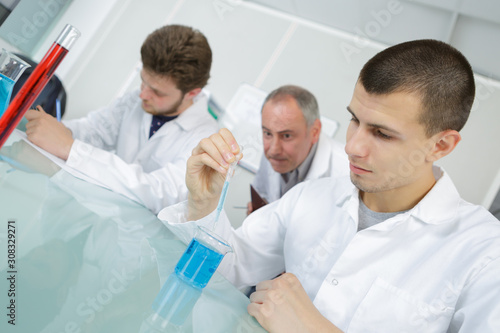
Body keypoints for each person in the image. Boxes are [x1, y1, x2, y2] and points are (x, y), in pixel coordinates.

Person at [159, 39, 500, 332]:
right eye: (355, 120)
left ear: (440, 146)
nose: (352, 146)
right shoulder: (311, 198)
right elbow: (225, 270)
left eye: (382, 133)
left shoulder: (484, 253)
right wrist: (204, 204)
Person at [23, 25, 218, 213]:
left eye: (157, 92)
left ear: (192, 93)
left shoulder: (206, 138)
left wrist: (70, 148)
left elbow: (161, 194)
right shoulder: (136, 98)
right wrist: (54, 130)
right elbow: (95, 130)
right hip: (95, 220)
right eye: (143, 81)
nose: (143, 94)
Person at [248, 85, 348, 214]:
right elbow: (263, 195)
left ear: (314, 132)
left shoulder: (346, 175)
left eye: (287, 136)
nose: (273, 150)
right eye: (267, 133)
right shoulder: (276, 153)